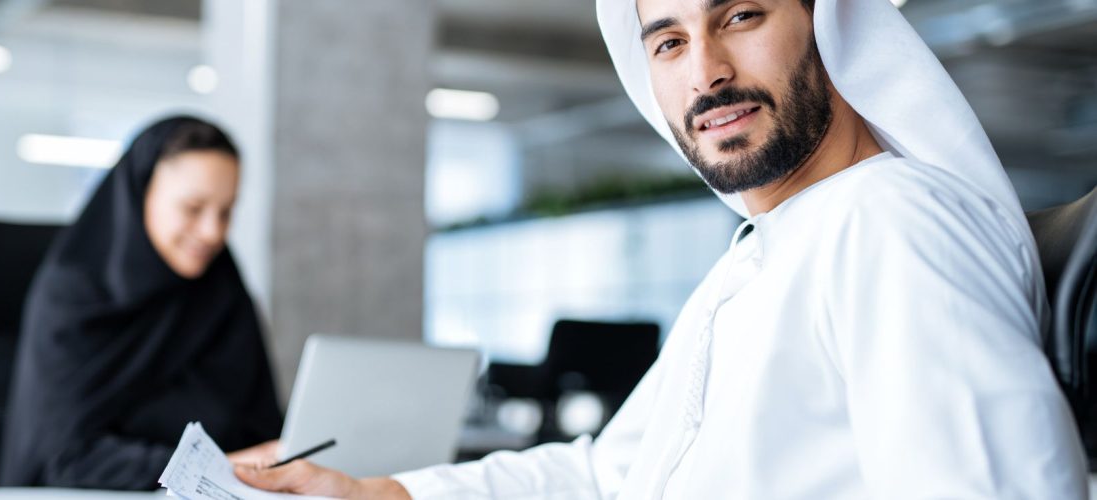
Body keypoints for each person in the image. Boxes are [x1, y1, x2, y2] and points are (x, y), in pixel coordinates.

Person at [234, 0, 1089, 498]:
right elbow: (613, 477)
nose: (705, 71)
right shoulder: (765, 254)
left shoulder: (888, 223)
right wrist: (383, 491)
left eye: (741, 15)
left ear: (831, 25)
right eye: (669, 41)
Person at [0, 116, 283, 489]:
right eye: (193, 208)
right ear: (139, 194)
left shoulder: (222, 291)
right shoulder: (73, 295)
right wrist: (210, 469)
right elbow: (66, 458)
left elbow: (261, 429)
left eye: (226, 212)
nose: (213, 232)